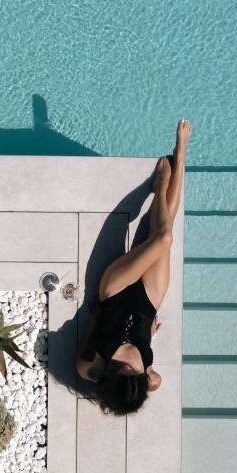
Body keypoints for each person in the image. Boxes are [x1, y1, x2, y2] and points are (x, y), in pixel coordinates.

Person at [75, 120, 192, 414]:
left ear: (108, 382)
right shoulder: (148, 380)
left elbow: (93, 328)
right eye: (133, 375)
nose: (128, 368)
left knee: (162, 238)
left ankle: (162, 183)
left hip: (114, 291)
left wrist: (95, 318)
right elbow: (156, 381)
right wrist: (150, 335)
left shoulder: (89, 368)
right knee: (166, 227)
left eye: (121, 373)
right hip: (148, 302)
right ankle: (182, 155)